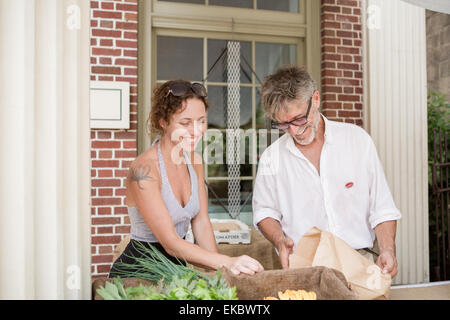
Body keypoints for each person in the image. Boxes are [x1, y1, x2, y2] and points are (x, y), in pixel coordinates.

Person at [252, 65, 402, 278]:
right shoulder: (270, 157)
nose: (295, 131)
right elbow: (264, 212)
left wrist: (387, 249)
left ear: (315, 100)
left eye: (299, 119)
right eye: (284, 125)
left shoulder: (357, 141)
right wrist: (279, 239)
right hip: (305, 269)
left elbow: (383, 208)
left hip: (361, 263)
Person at [109, 80, 263, 278]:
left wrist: (221, 274)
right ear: (163, 122)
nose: (196, 130)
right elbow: (171, 243)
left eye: (201, 121)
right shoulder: (144, 169)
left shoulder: (194, 161)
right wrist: (228, 261)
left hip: (176, 271)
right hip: (138, 274)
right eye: (185, 122)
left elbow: (201, 222)